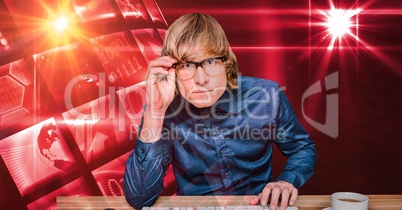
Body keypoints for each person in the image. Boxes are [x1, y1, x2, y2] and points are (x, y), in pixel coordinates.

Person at [123, 13, 317, 210]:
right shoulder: (163, 111)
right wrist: (155, 113)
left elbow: (302, 148)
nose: (201, 79)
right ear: (170, 70)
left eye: (210, 62)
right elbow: (139, 198)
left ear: (226, 63)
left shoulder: (266, 95)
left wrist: (287, 181)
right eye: (187, 65)